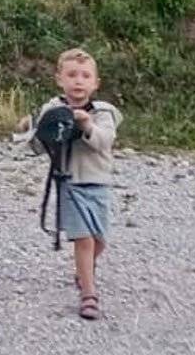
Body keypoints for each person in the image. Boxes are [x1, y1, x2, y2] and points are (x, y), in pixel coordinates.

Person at [18, 47, 121, 320]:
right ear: (59, 79)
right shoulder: (53, 109)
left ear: (95, 83)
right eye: (72, 75)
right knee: (84, 241)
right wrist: (29, 131)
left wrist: (87, 125)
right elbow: (41, 146)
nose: (78, 81)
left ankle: (82, 271)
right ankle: (89, 294)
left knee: (100, 241)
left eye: (85, 76)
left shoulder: (103, 112)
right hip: (70, 183)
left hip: (97, 182)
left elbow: (104, 142)